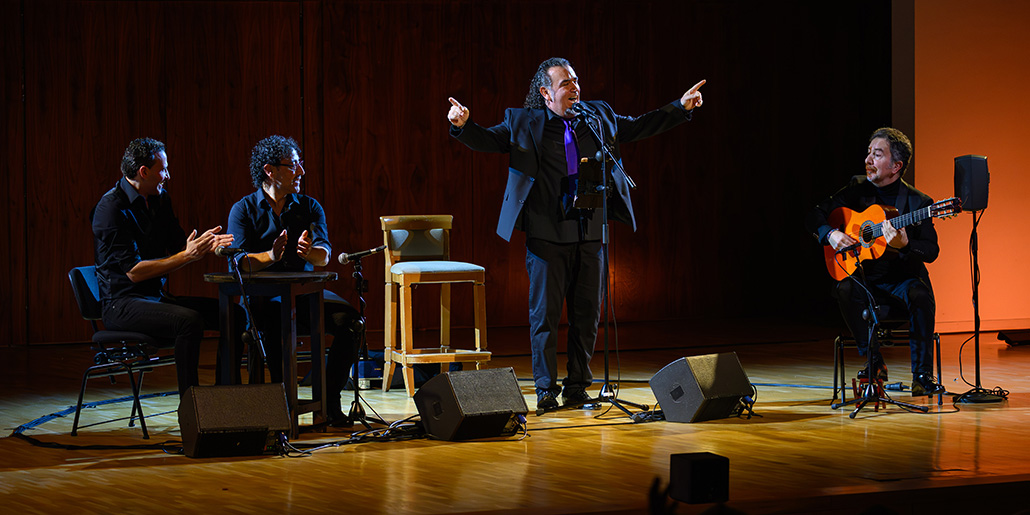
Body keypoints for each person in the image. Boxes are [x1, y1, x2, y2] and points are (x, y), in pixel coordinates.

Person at [447, 57, 705, 410]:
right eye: (565, 83)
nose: (575, 88)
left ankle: (578, 386)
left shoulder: (597, 117)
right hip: (546, 233)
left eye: (576, 81)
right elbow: (488, 140)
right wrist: (463, 125)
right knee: (545, 317)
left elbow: (638, 126)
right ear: (546, 92)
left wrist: (680, 107)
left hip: (589, 230)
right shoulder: (523, 121)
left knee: (587, 315)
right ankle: (545, 390)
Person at [227, 135, 361, 425]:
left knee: (351, 323)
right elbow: (239, 262)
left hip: (304, 297)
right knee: (275, 324)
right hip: (263, 301)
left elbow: (324, 256)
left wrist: (309, 252)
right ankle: (282, 408)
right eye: (293, 165)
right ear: (270, 170)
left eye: (300, 164)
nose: (301, 171)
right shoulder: (244, 209)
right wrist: (270, 256)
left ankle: (329, 401)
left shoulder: (309, 206)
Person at [93, 137, 240, 396]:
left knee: (234, 314)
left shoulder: (159, 199)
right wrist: (187, 256)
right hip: (120, 304)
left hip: (155, 298)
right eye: (163, 170)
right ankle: (192, 406)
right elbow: (134, 272)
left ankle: (226, 395)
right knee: (189, 321)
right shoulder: (111, 208)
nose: (168, 176)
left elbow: (178, 246)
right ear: (144, 172)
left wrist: (204, 244)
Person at [805, 127, 944, 396]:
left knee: (920, 293)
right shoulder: (856, 190)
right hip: (864, 279)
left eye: (877, 154)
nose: (868, 159)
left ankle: (922, 376)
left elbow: (931, 250)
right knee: (844, 287)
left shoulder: (918, 202)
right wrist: (831, 234)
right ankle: (874, 362)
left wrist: (906, 245)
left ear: (896, 166)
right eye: (869, 152)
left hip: (901, 280)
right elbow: (814, 215)